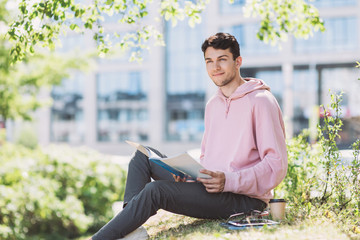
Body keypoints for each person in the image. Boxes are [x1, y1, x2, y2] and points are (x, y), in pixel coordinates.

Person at [89, 32, 288, 240]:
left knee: (156, 191)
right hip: (211, 188)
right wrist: (192, 177)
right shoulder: (213, 105)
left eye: (222, 60)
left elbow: (276, 165)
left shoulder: (261, 101)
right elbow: (209, 156)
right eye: (209, 61)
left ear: (238, 61)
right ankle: (131, 228)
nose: (215, 67)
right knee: (142, 157)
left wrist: (228, 181)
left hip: (245, 199)